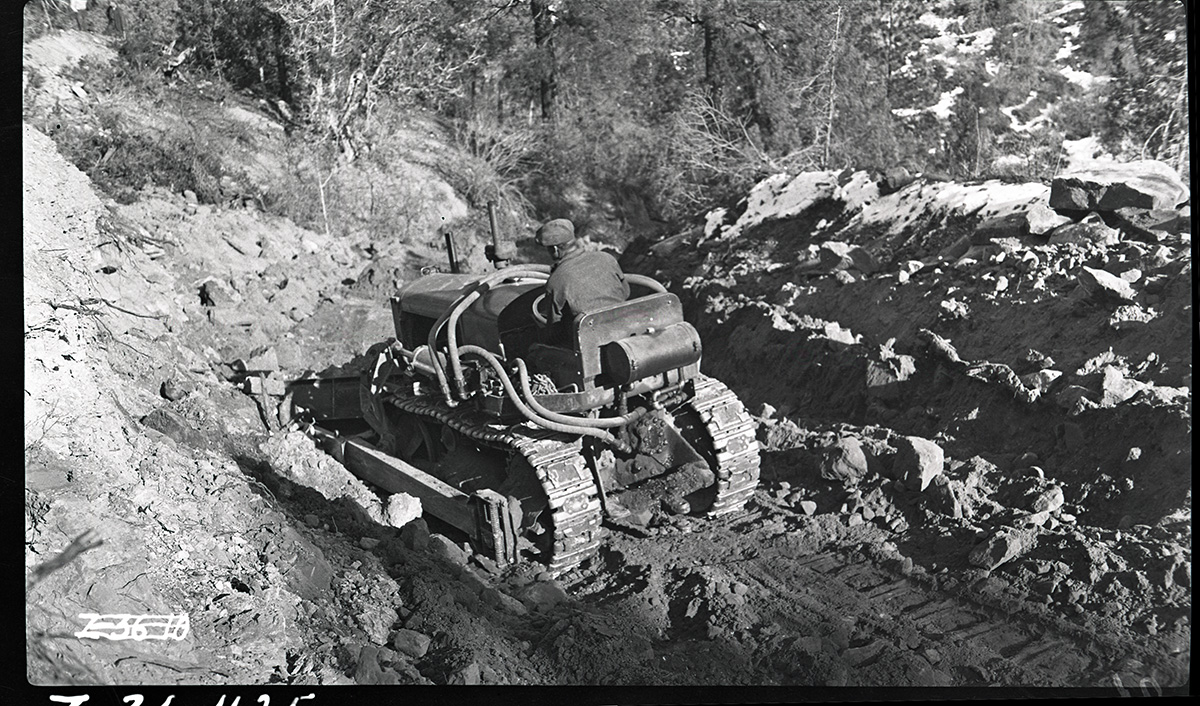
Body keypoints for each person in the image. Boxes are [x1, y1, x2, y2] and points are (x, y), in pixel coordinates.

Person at [535, 218, 630, 329]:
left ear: (555, 249)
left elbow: (554, 330)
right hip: (624, 326)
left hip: (587, 339)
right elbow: (626, 292)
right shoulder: (606, 258)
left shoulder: (556, 281)